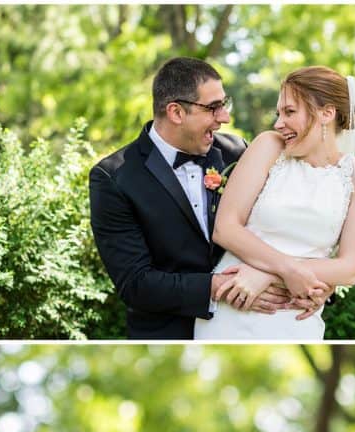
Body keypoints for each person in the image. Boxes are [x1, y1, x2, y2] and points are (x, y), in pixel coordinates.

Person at [89, 57, 314, 340]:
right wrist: (222, 287)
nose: (225, 118)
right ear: (176, 112)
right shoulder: (113, 177)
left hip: (253, 327)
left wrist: (315, 285)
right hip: (171, 338)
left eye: (224, 103)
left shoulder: (238, 152)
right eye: (213, 107)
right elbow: (136, 284)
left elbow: (285, 227)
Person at [195, 66, 355, 340]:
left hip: (295, 315)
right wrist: (287, 270)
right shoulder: (269, 147)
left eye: (290, 112)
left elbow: (352, 267)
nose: (278, 123)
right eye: (279, 114)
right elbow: (225, 228)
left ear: (326, 113)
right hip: (234, 302)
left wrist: (268, 275)